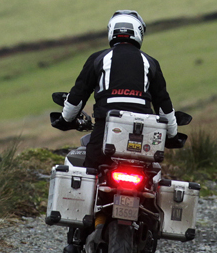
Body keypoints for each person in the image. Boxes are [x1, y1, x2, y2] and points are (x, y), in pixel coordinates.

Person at [58, 10, 179, 169]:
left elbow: (78, 95)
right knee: (152, 175)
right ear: (139, 32)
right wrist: (172, 133)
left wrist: (66, 119)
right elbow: (163, 103)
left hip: (105, 129)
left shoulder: (98, 59)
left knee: (90, 171)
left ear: (111, 31)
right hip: (144, 133)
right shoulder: (150, 62)